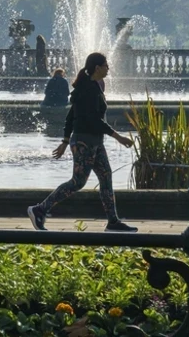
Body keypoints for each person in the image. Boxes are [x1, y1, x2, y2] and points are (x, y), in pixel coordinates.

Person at [28, 52, 137, 232]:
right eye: (105, 65)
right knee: (78, 182)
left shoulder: (92, 86)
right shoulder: (88, 90)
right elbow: (92, 120)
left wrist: (64, 141)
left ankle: (113, 222)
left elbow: (71, 116)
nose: (108, 68)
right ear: (97, 68)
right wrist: (118, 137)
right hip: (84, 142)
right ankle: (39, 209)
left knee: (106, 176)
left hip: (94, 142)